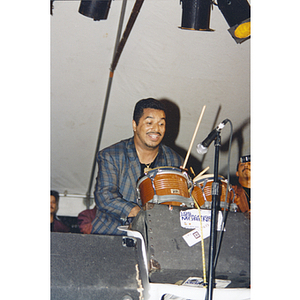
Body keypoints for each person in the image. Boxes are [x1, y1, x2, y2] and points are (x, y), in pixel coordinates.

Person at [91, 98, 184, 235]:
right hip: (111, 234)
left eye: (161, 124)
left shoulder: (175, 161)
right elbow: (105, 196)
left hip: (154, 240)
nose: (156, 129)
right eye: (149, 122)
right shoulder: (111, 155)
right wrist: (140, 213)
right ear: (135, 125)